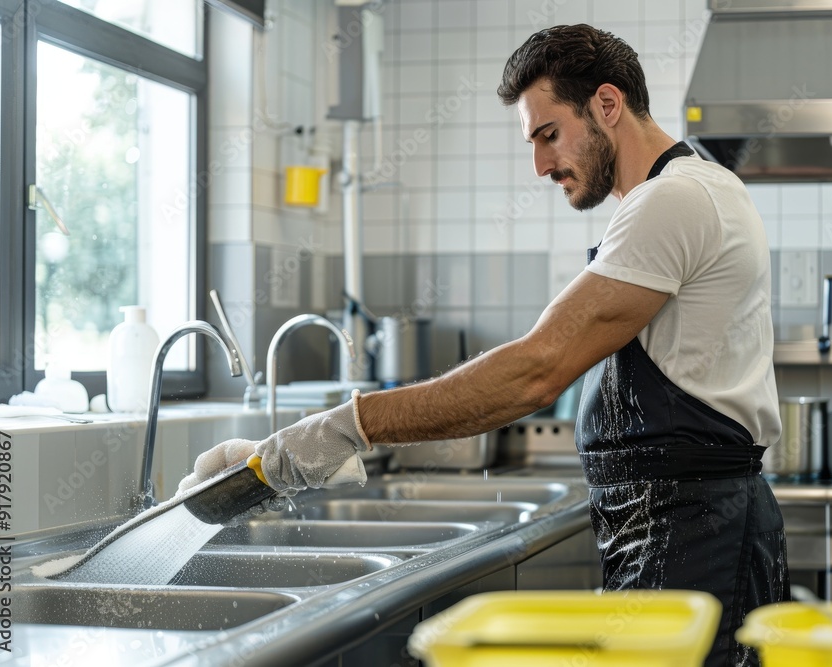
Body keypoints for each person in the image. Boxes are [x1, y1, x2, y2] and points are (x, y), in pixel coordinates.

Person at [180, 24, 789, 667]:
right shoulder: (684, 193)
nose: (542, 165)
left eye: (549, 134)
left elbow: (535, 370)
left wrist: (340, 429)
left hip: (694, 537)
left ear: (608, 105)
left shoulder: (674, 200)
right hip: (679, 530)